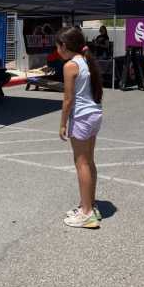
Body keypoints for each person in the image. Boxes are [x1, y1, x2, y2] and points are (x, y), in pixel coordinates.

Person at [56, 27, 103, 229]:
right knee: (89, 161)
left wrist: (62, 123)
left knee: (81, 163)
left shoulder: (70, 65)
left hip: (82, 116)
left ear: (64, 46)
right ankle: (89, 205)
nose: (57, 50)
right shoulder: (86, 61)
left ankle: (86, 213)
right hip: (94, 114)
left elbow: (68, 100)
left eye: (57, 46)